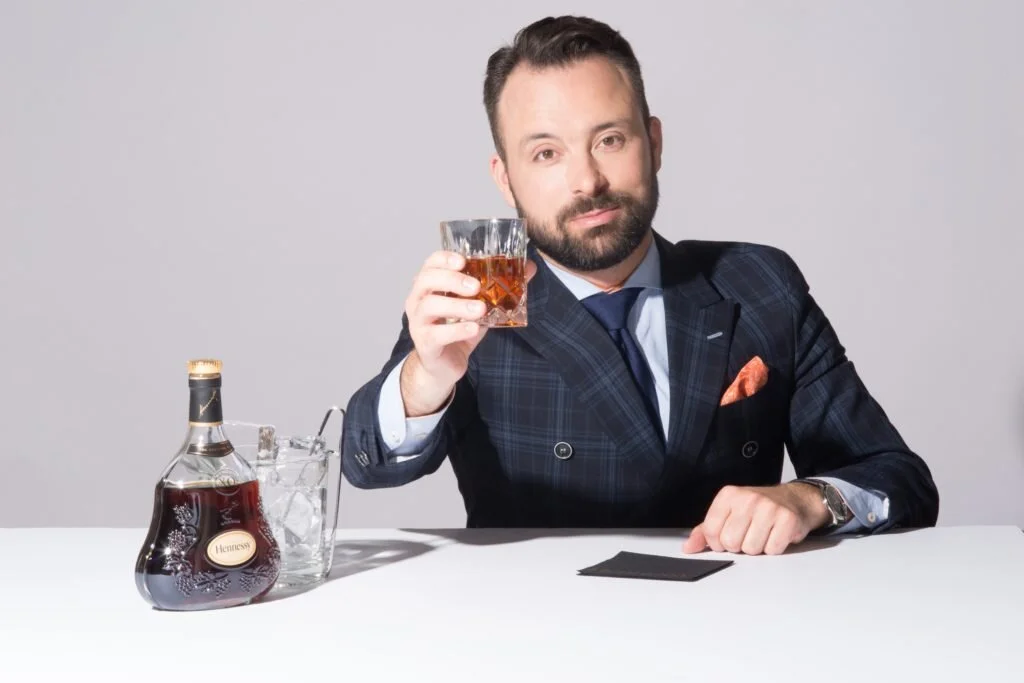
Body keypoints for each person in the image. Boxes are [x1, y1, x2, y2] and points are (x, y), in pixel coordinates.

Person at [340, 15, 939, 555]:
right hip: (536, 624)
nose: (587, 180)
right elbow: (366, 463)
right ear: (506, 179)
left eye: (609, 140)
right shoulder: (478, 302)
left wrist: (809, 500)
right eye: (546, 153)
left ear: (653, 143)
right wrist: (426, 376)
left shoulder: (758, 283)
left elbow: (899, 479)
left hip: (735, 619)